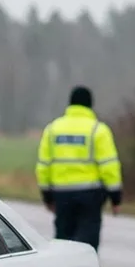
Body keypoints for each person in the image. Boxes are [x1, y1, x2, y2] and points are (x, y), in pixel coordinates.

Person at [36, 86, 122, 252]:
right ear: (90, 105)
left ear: (70, 104)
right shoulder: (98, 130)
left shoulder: (52, 129)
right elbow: (109, 167)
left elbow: (43, 166)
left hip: (61, 195)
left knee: (62, 242)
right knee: (87, 244)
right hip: (90, 196)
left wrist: (47, 197)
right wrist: (116, 198)